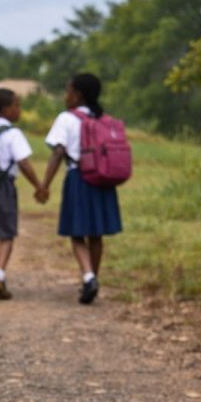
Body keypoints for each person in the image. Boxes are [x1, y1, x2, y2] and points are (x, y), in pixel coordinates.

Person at [40, 73, 123, 304]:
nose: (65, 96)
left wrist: (45, 185)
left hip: (78, 177)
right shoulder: (104, 119)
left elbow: (58, 152)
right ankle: (93, 277)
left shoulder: (66, 119)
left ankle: (87, 276)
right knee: (95, 234)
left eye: (68, 91)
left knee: (77, 233)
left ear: (77, 95)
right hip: (103, 181)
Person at [0, 88, 47, 300]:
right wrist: (38, 186)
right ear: (6, 110)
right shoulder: (13, 133)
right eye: (17, 106)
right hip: (3, 187)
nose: (19, 110)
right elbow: (23, 162)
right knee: (6, 233)